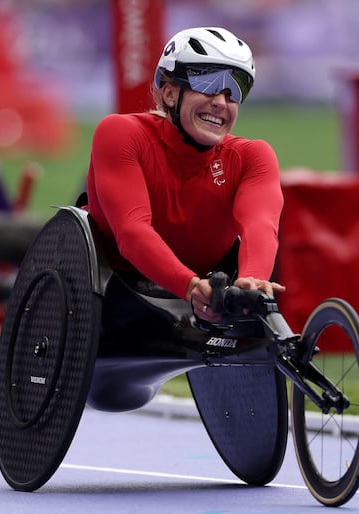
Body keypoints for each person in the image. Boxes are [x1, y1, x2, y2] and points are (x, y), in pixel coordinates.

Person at [86, 26, 285, 326]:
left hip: (205, 291)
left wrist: (252, 280)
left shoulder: (252, 157)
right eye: (208, 83)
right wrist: (189, 286)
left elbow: (261, 226)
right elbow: (131, 231)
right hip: (116, 294)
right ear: (169, 92)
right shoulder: (120, 133)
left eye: (235, 89)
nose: (222, 101)